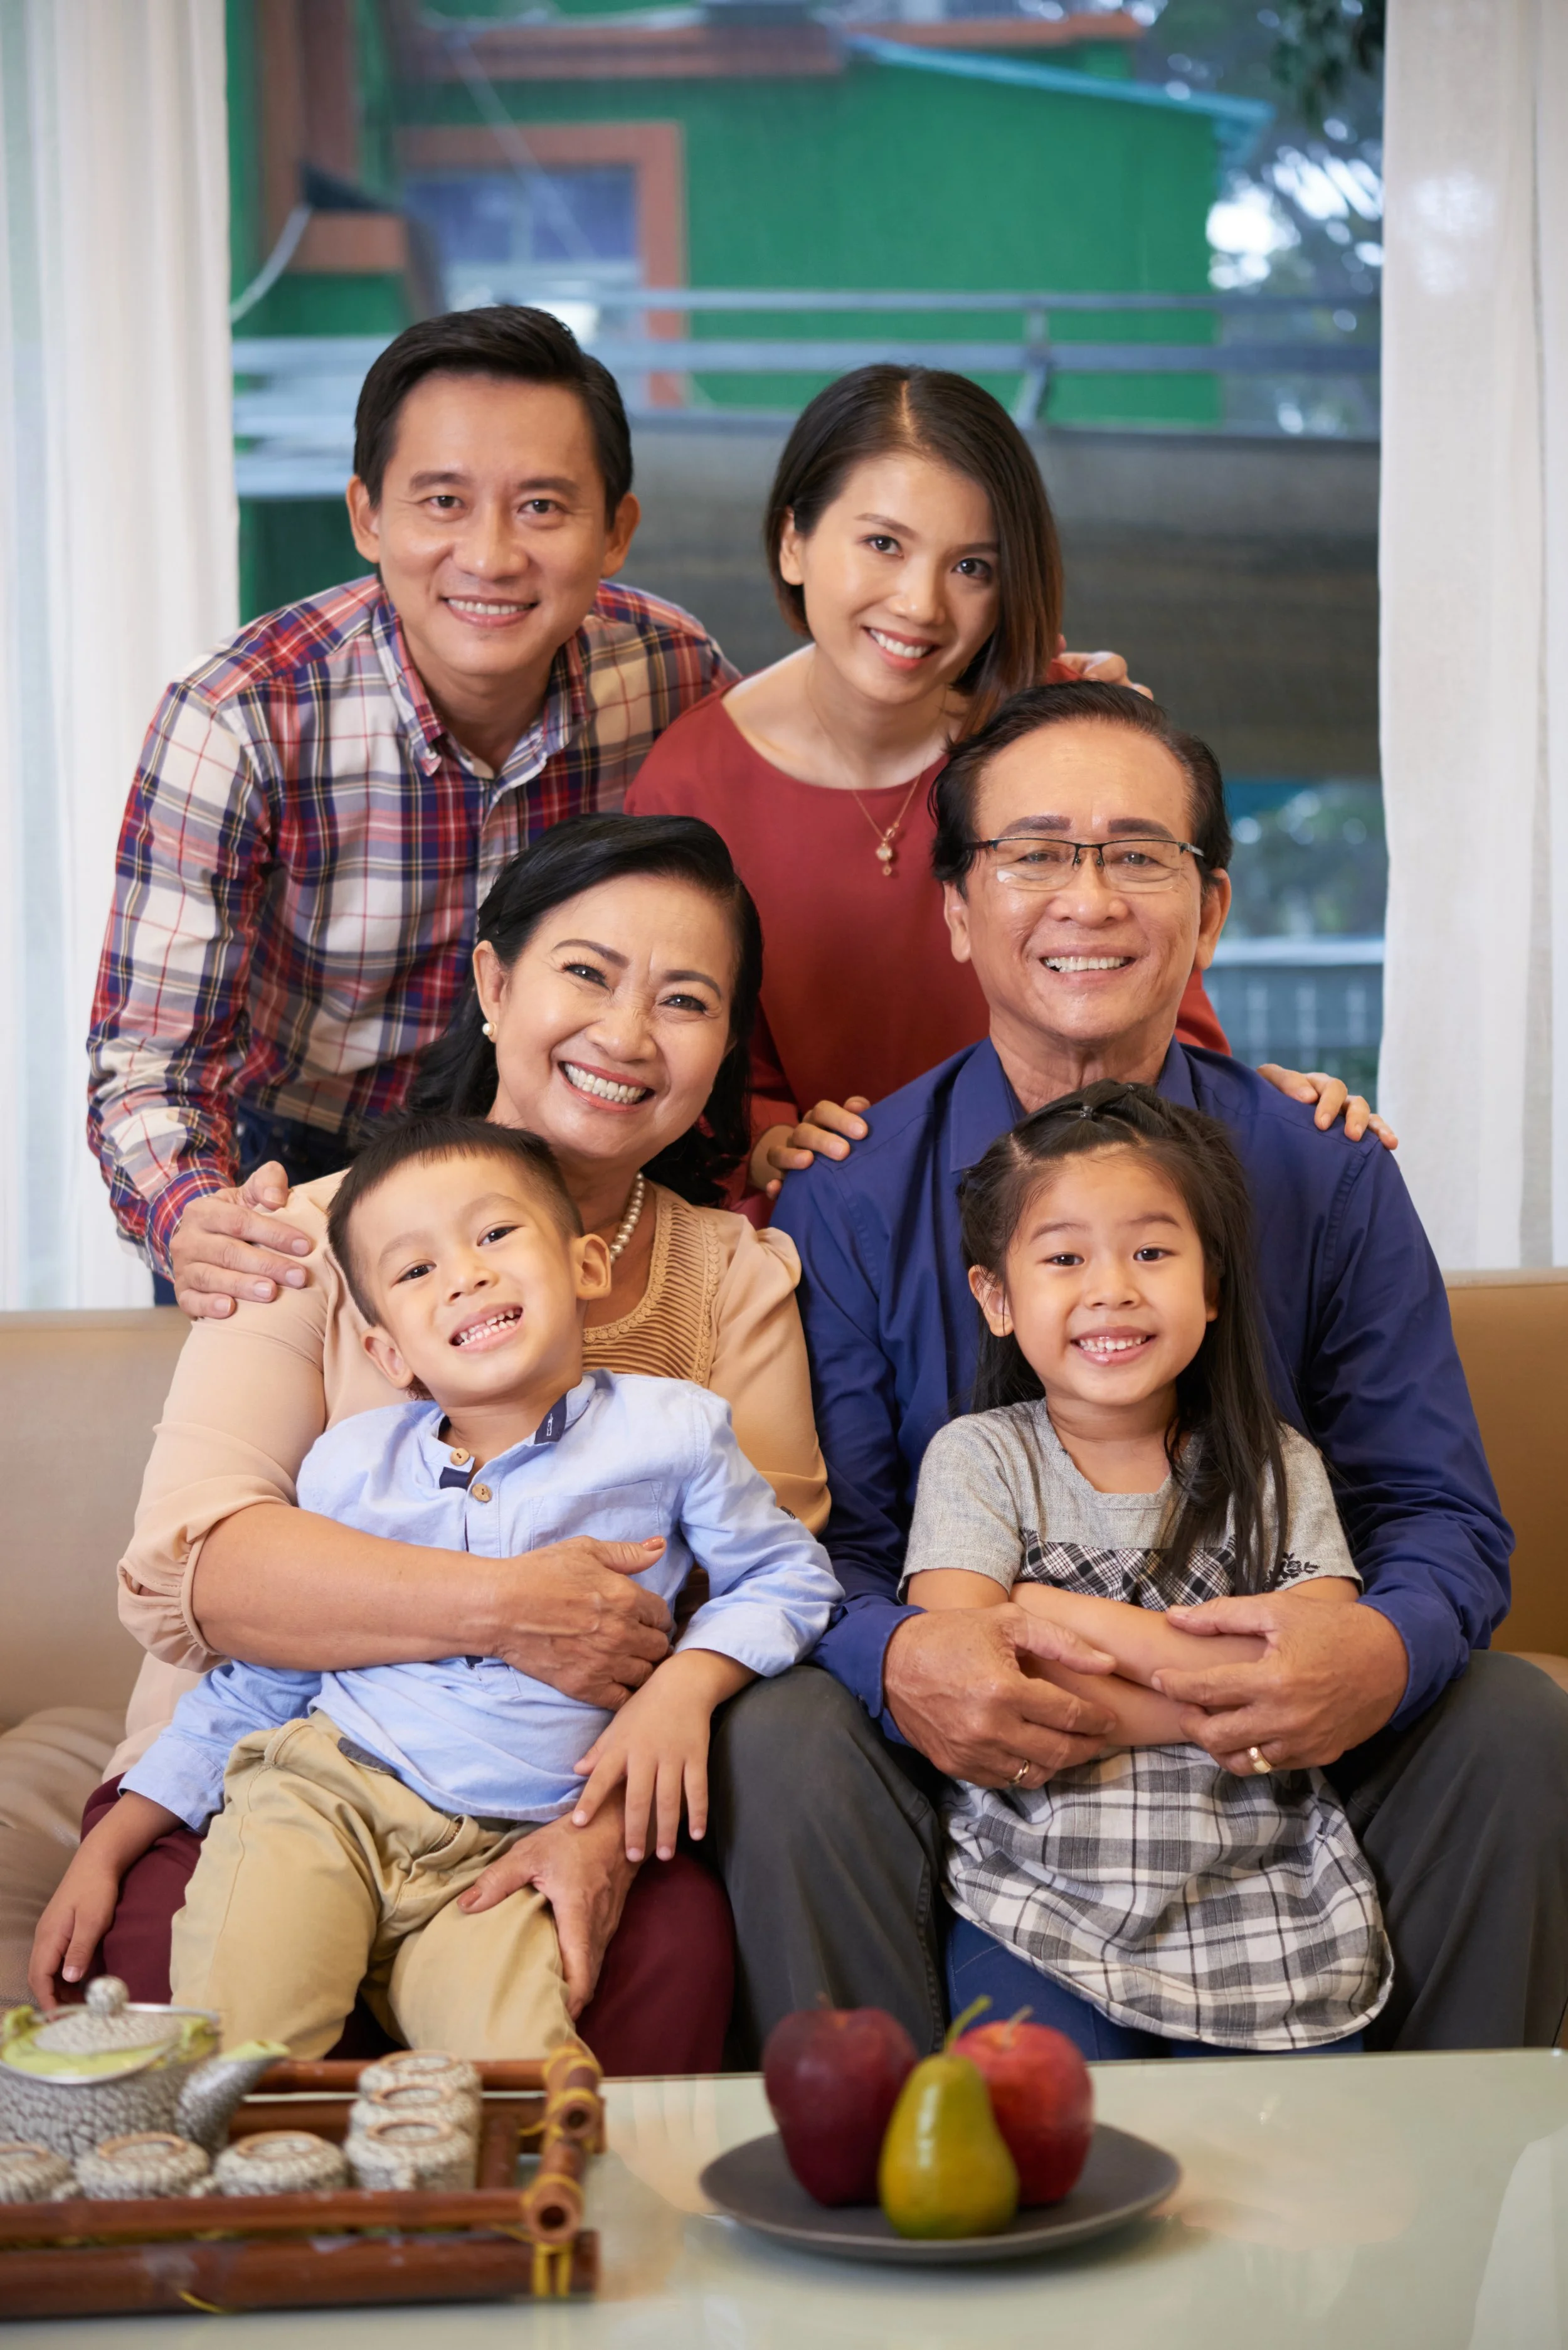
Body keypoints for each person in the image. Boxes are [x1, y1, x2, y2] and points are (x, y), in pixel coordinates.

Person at [707, 679, 1568, 2060]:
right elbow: (829, 1547)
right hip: (971, 1746)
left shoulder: (1321, 1166)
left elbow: (1440, 1515)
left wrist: (1375, 1643)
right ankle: (896, 2210)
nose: (1085, 897)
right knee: (783, 1735)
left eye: (1135, 855)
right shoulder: (851, 1190)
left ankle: (1441, 2226)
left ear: (1209, 909)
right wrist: (910, 1651)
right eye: (1034, 852)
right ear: (954, 909)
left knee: (1514, 1722)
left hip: (1282, 1745)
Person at [82, 815, 827, 2075]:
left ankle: (541, 2258)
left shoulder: (736, 1276)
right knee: (181, 2012)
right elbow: (197, 1570)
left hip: (560, 1790)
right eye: (585, 973)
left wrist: (593, 1827)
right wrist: (510, 1606)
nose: (627, 1033)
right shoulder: (307, 1240)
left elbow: (761, 1588)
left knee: (659, 1965)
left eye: (685, 1000)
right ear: (494, 985)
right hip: (267, 1764)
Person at [88, 306, 735, 1317]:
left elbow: (816, 756)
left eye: (541, 507)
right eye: (442, 500)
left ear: (616, 530)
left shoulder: (670, 673)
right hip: (299, 1149)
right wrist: (194, 1215)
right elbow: (150, 1061)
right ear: (367, 515)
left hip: (563, 1148)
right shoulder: (238, 717)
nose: (489, 555)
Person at [628, 364, 1229, 1200]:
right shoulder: (690, 781)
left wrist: (1284, 1114)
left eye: (972, 568)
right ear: (792, 540)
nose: (921, 605)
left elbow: (1169, 1003)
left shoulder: (1062, 729)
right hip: (831, 1231)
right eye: (883, 544)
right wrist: (766, 1142)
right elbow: (689, 1063)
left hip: (1087, 1211)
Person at [905, 1083, 1389, 2058]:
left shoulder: (1276, 1465)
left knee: (1295, 2180)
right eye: (1065, 1257)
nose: (1114, 1288)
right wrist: (1217, 1703)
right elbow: (990, 1675)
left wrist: (1052, 1609)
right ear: (995, 1296)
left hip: (1268, 1900)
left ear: (1211, 1286)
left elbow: (1305, 1678)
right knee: (1057, 2159)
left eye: (1153, 1252)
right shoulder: (979, 1459)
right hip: (1034, 1905)